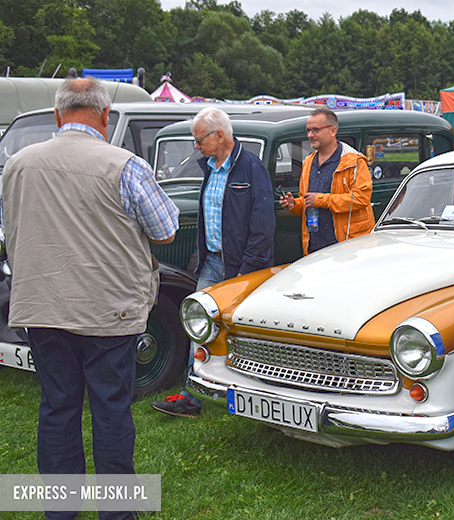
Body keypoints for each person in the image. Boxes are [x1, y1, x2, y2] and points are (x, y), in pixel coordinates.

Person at [2, 77, 179, 520]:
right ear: (104, 116)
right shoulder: (125, 165)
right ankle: (117, 512)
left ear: (59, 115)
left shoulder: (18, 164)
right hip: (108, 309)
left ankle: (60, 511)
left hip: (42, 305)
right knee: (110, 408)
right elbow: (166, 230)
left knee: (58, 406)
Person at [151, 106, 276, 417]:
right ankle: (193, 394)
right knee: (199, 324)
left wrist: (248, 271)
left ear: (220, 136)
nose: (196, 145)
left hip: (242, 267)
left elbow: (262, 226)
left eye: (200, 139)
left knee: (242, 330)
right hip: (211, 262)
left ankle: (251, 392)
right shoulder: (208, 168)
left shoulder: (251, 168)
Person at [280, 107, 375, 254]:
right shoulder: (308, 162)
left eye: (316, 130)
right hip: (315, 246)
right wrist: (294, 205)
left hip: (348, 248)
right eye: (308, 131)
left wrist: (320, 200)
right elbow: (306, 200)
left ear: (333, 131)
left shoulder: (355, 161)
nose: (310, 135)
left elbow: (361, 198)